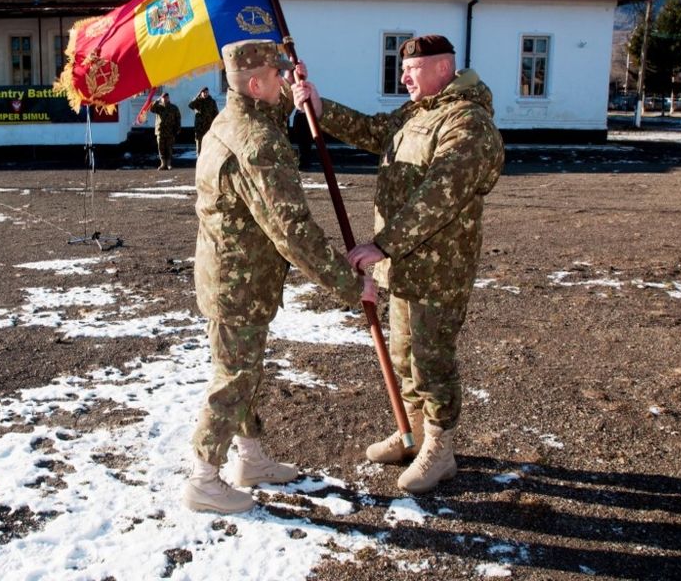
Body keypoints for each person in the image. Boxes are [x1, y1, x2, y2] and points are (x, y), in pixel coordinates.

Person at [292, 34, 504, 494]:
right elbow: (374, 131)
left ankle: (440, 448)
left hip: (439, 271)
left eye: (413, 68)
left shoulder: (468, 122)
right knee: (405, 356)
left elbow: (441, 194)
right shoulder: (416, 113)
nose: (403, 76)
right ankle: (412, 433)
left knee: (432, 360)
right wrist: (320, 106)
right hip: (405, 268)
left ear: (443, 68)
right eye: (403, 68)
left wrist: (383, 244)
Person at [185, 39, 377, 514]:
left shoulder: (226, 123)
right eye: (277, 76)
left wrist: (298, 94)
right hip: (240, 284)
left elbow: (274, 106)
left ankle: (249, 459)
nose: (284, 81)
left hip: (229, 277)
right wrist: (351, 284)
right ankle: (203, 479)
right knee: (234, 377)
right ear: (256, 84)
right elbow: (293, 232)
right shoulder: (259, 143)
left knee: (245, 371)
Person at [150, 91, 181, 170]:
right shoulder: (158, 107)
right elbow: (151, 109)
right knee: (161, 148)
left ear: (169, 98)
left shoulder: (174, 107)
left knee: (169, 148)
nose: (165, 99)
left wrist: (178, 128)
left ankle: (169, 164)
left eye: (166, 97)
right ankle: (163, 163)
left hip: (170, 131)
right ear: (161, 99)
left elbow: (178, 118)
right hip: (160, 131)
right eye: (163, 98)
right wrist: (157, 101)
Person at [188, 86, 219, 156]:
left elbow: (216, 113)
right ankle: (199, 156)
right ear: (201, 93)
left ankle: (208, 156)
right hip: (199, 126)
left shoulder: (212, 101)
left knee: (209, 141)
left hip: (208, 126)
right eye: (204, 93)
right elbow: (190, 105)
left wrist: (215, 124)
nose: (205, 94)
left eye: (206, 92)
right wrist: (197, 97)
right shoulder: (198, 101)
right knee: (199, 142)